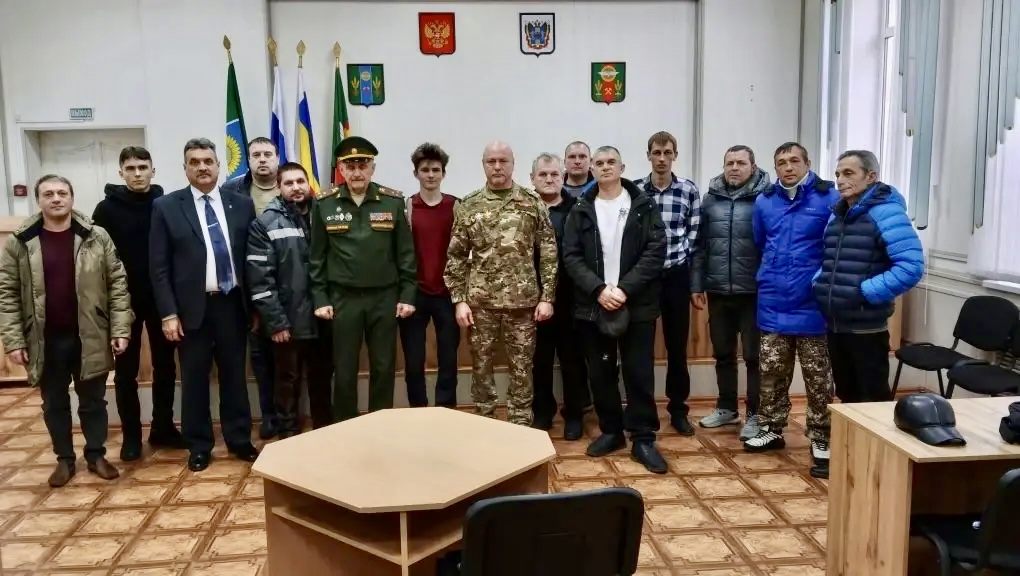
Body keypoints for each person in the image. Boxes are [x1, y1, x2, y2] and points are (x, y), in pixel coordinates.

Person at [0, 175, 132, 486]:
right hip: (45, 340)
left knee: (93, 402)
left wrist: (121, 328)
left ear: (72, 198)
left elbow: (117, 283)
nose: (56, 198)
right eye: (49, 194)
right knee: (54, 403)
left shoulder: (96, 236)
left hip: (90, 335)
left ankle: (96, 455)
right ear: (39, 200)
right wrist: (14, 340)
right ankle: (64, 459)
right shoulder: (20, 241)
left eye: (62, 193)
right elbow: (7, 293)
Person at [150, 138, 259, 472]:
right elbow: (159, 266)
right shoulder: (167, 207)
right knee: (195, 380)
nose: (202, 167)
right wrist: (169, 313)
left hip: (232, 305)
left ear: (218, 166)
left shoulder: (241, 204)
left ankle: (239, 439)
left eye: (208, 161)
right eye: (194, 162)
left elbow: (251, 260)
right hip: (190, 310)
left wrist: (255, 306)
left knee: (235, 377)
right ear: (185, 168)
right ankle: (198, 445)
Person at [561, 146, 668, 473]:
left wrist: (624, 289)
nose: (605, 167)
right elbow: (571, 256)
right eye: (600, 163)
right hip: (594, 304)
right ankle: (611, 431)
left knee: (639, 372)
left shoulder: (642, 205)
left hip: (636, 303)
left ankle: (643, 438)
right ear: (591, 169)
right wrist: (598, 290)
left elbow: (656, 250)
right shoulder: (581, 209)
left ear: (622, 167)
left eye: (611, 162)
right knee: (601, 372)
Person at [444, 141, 557, 426]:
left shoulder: (532, 203)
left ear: (513, 164)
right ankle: (486, 424)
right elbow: (456, 256)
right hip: (481, 304)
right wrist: (459, 300)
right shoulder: (469, 205)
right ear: (483, 164)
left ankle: (521, 424)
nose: (497, 167)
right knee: (481, 367)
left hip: (523, 303)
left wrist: (548, 297)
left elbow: (548, 252)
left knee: (522, 368)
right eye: (491, 161)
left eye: (503, 161)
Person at [743, 141, 839, 480]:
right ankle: (771, 428)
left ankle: (822, 436)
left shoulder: (829, 198)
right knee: (771, 371)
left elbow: (835, 246)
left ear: (807, 163)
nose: (788, 167)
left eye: (794, 160)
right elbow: (760, 241)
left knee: (817, 377)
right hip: (773, 300)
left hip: (812, 303)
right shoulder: (765, 201)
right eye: (781, 162)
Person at [309, 136, 417, 422]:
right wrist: (320, 298)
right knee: (344, 368)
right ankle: (345, 427)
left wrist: (407, 295)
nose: (357, 172)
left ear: (372, 168)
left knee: (383, 366)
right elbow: (317, 257)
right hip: (343, 299)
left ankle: (380, 426)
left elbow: (405, 254)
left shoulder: (392, 202)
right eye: (351, 166)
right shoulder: (325, 203)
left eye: (363, 165)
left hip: (384, 298)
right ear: (341, 170)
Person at [91, 146, 186, 461]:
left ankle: (163, 427)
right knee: (126, 372)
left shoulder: (166, 204)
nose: (137, 174)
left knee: (166, 366)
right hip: (123, 302)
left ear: (153, 171)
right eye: (130, 168)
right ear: (121, 173)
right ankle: (131, 436)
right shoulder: (105, 210)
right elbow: (97, 258)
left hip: (161, 299)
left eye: (143, 167)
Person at [813, 149, 924, 403]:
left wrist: (863, 292)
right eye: (837, 174)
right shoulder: (837, 214)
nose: (840, 180)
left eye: (848, 173)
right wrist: (819, 283)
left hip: (866, 328)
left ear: (871, 176)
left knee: (872, 400)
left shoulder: (887, 213)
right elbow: (829, 259)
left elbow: (911, 267)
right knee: (847, 396)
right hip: (836, 323)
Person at [246, 162, 334, 437]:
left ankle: (325, 433)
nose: (296, 187)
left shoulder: (327, 215)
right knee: (287, 381)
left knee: (322, 378)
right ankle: (288, 435)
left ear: (308, 184)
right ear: (279, 187)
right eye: (289, 183)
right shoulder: (264, 224)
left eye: (300, 181)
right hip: (288, 320)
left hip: (324, 316)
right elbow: (260, 280)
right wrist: (276, 323)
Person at [691, 145, 770, 440]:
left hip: (754, 292)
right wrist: (696, 284)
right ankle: (727, 407)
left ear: (753, 167)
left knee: (753, 356)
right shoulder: (710, 199)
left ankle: (755, 413)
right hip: (718, 290)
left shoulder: (766, 198)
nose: (734, 168)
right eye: (729, 163)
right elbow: (700, 246)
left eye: (740, 163)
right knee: (723, 353)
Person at [633, 131, 701, 435]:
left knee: (677, 347)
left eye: (667, 153)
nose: (662, 159)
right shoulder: (635, 190)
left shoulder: (688, 190)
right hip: (644, 278)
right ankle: (643, 411)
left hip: (676, 274)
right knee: (641, 348)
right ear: (648, 155)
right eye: (657, 153)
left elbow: (694, 234)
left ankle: (678, 410)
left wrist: (682, 261)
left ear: (675, 155)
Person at [222, 137, 282, 439]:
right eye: (256, 154)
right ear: (248, 159)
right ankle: (268, 414)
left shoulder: (293, 186)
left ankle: (288, 413)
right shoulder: (232, 192)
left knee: (289, 356)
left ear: (277, 157)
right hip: (249, 285)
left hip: (288, 282)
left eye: (267, 154)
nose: (262, 159)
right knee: (260, 357)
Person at [529, 152, 591, 440]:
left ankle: (574, 414)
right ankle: (543, 412)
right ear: (532, 179)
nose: (549, 179)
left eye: (554, 174)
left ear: (563, 177)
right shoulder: (525, 211)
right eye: (543, 174)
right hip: (533, 299)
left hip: (571, 298)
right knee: (539, 360)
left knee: (572, 361)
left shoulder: (579, 210)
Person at [399, 142, 460, 408]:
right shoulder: (407, 206)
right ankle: (418, 411)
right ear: (416, 173)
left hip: (447, 294)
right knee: (413, 361)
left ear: (443, 173)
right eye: (425, 170)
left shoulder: (455, 206)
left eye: (436, 169)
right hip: (415, 294)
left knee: (449, 359)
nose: (431, 175)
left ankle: (446, 411)